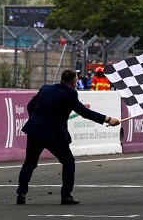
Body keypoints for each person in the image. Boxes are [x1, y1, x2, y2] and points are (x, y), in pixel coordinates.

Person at [16, 69, 120, 205]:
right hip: (54, 134)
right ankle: (66, 195)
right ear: (73, 82)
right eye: (76, 81)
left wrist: (35, 119)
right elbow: (84, 112)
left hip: (35, 130)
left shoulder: (45, 88)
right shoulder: (70, 93)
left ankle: (21, 193)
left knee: (29, 162)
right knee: (68, 161)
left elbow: (30, 105)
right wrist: (107, 119)